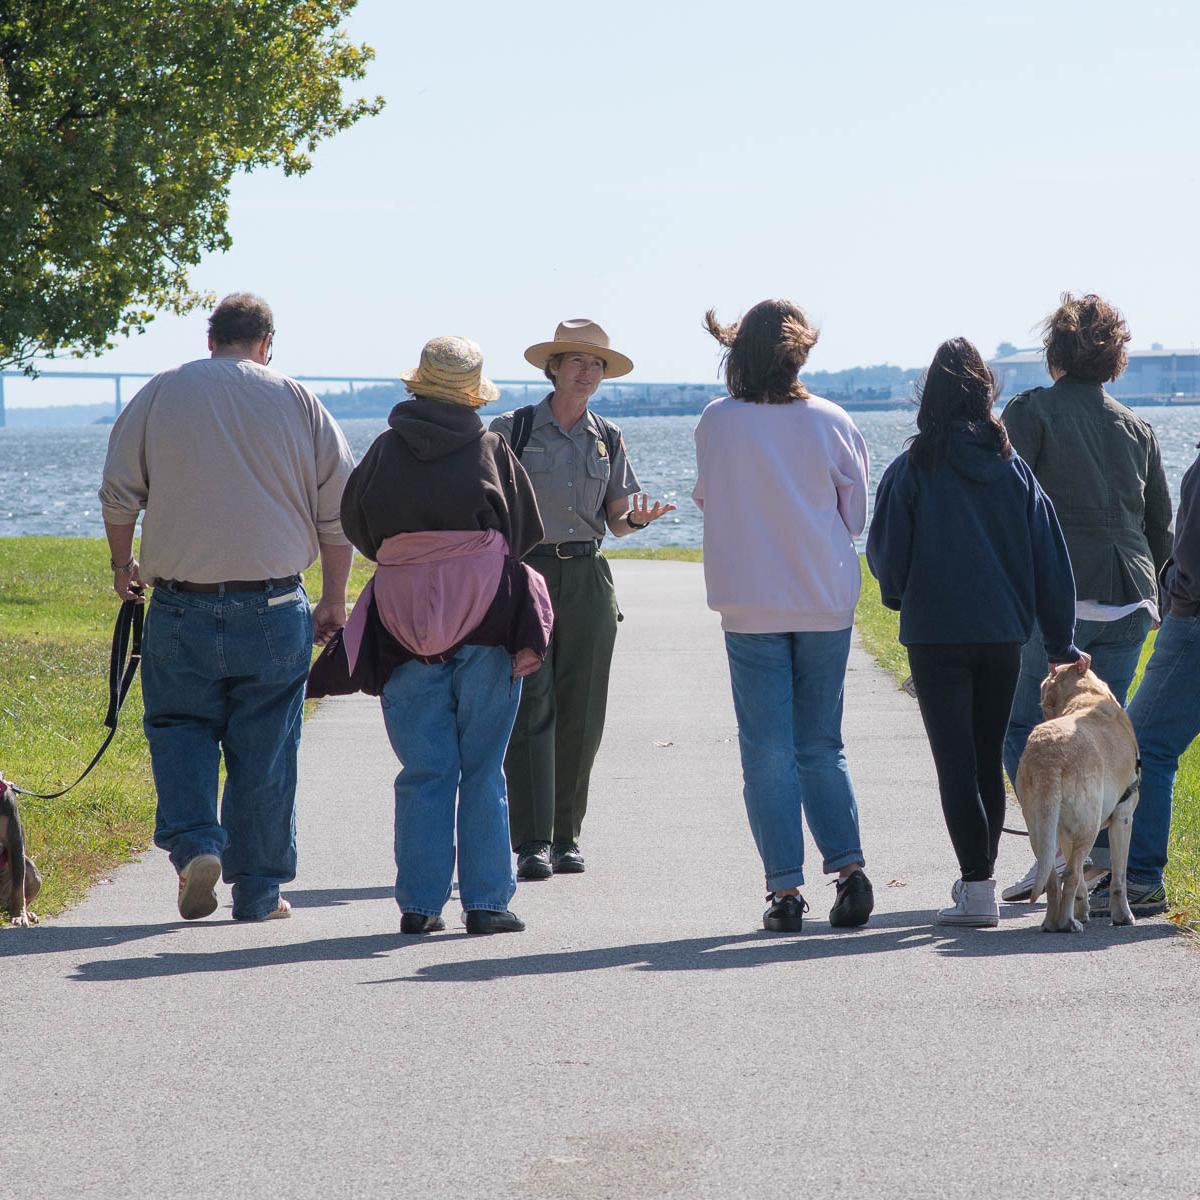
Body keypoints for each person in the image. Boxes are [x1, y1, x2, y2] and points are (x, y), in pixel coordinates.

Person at [99, 292, 354, 922]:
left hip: (179, 604)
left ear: (210, 338)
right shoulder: (299, 400)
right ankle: (260, 892)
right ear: (267, 342)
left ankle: (195, 847)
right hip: (273, 602)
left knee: (179, 727)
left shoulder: (161, 391)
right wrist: (333, 598)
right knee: (266, 746)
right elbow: (337, 513)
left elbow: (118, 493)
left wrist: (122, 564)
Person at [332, 336, 553, 935]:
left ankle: (420, 905)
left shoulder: (382, 452)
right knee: (483, 767)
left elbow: (358, 525)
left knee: (425, 769)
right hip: (486, 623)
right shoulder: (491, 449)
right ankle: (485, 902)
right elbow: (525, 531)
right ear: (472, 394)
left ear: (418, 385)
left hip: (403, 623)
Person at [868, 337, 1089, 927]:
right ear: (985, 392)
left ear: (928, 397)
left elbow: (886, 552)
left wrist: (898, 595)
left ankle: (977, 887)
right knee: (987, 756)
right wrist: (1061, 638)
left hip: (936, 635)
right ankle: (981, 884)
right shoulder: (1010, 466)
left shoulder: (912, 467)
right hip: (1002, 635)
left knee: (955, 763)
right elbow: (1050, 552)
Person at [694, 299, 874, 933]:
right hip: (823, 595)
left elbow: (708, 497)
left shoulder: (717, 422)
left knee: (767, 749)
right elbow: (854, 516)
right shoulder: (831, 419)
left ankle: (786, 892)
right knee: (821, 743)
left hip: (750, 601)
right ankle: (850, 873)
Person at [999, 294, 1172, 904]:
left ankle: (1048, 857)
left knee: (1026, 726)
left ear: (1055, 353)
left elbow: (1009, 501)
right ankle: (1100, 863)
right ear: (1116, 358)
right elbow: (1161, 527)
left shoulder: (1029, 413)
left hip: (1057, 605)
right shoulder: (1137, 427)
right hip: (1129, 599)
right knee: (1108, 734)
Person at [490, 319, 675, 880]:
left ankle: (567, 837)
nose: (588, 371)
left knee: (583, 712)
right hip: (528, 577)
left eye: (596, 364)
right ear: (553, 368)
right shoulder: (510, 429)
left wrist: (638, 521)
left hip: (589, 577)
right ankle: (531, 842)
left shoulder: (608, 435)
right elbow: (488, 512)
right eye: (577, 361)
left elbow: (616, 521)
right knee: (531, 709)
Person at [1091, 442, 1200, 917]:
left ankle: (1138, 877)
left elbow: (1193, 555)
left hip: (1194, 622)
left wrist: (1176, 589)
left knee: (1145, 744)